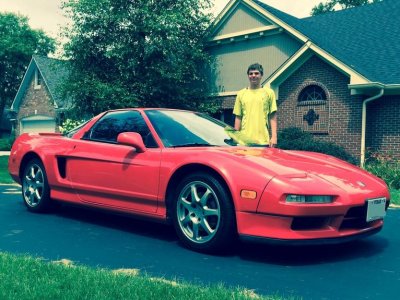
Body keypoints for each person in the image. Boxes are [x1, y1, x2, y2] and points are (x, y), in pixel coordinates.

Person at [233, 63, 277, 147]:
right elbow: (238, 117)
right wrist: (235, 138)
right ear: (248, 76)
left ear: (261, 75)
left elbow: (273, 116)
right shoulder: (241, 94)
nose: (253, 75)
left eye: (256, 73)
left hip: (263, 141)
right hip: (244, 142)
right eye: (251, 73)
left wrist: (274, 137)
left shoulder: (269, 93)